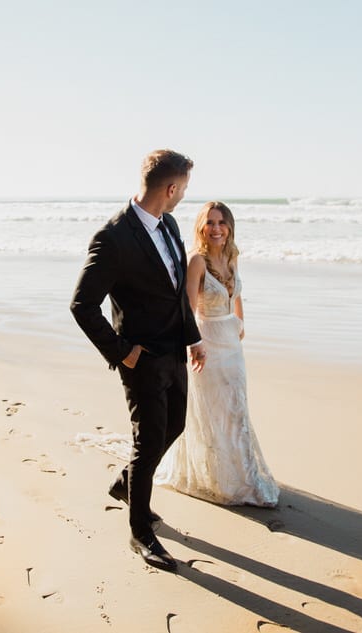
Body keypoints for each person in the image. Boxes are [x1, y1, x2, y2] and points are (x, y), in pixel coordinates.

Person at [70, 149, 206, 573]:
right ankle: (140, 532)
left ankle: (125, 483)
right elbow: (82, 304)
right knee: (147, 443)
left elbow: (175, 290)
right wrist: (122, 351)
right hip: (141, 359)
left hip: (174, 352)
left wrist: (192, 338)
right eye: (183, 188)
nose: (184, 196)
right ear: (171, 188)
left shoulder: (169, 223)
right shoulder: (113, 238)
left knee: (175, 426)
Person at [156, 201, 279, 507]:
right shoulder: (196, 261)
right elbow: (187, 308)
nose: (216, 228)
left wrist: (240, 321)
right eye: (210, 222)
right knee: (212, 411)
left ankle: (243, 475)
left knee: (236, 409)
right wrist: (193, 344)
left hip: (232, 344)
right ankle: (215, 477)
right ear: (201, 227)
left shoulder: (231, 256)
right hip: (206, 342)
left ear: (230, 227)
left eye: (222, 222)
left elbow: (236, 292)